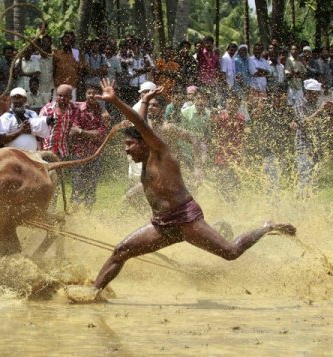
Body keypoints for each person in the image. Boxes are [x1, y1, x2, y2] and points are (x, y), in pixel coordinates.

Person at [66, 79, 297, 302]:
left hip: (187, 221)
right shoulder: (146, 157)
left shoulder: (161, 152)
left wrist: (115, 101)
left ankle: (267, 227)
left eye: (130, 145)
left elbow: (140, 124)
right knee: (121, 251)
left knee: (231, 252)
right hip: (162, 224)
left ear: (145, 143)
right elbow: (140, 124)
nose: (127, 150)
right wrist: (145, 101)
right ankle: (94, 292)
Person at [69, 85, 110, 208]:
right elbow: (73, 129)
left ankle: (88, 211)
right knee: (77, 182)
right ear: (85, 94)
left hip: (96, 152)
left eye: (94, 93)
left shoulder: (104, 113)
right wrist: (90, 133)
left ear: (99, 96)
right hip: (79, 152)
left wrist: (82, 132)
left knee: (92, 183)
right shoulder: (78, 109)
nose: (91, 95)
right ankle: (75, 211)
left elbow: (101, 134)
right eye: (89, 93)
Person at [0, 87, 49, 151]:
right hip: (14, 157)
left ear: (25, 100)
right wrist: (20, 131)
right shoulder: (5, 117)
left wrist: (33, 130)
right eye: (15, 98)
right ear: (10, 100)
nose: (17, 101)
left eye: (20, 98)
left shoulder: (32, 114)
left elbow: (39, 138)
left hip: (32, 155)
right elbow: (1, 140)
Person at [38, 84, 79, 159]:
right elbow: (38, 131)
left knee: (62, 170)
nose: (62, 98)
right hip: (47, 151)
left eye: (65, 96)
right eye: (60, 95)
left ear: (70, 97)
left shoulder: (73, 109)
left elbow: (85, 104)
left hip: (63, 152)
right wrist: (40, 151)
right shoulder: (47, 109)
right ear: (56, 96)